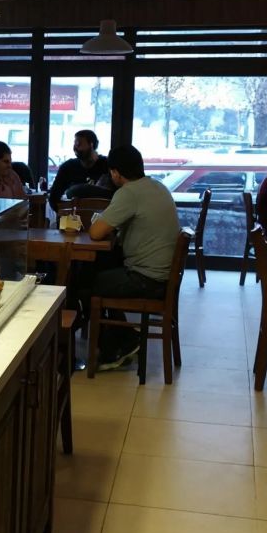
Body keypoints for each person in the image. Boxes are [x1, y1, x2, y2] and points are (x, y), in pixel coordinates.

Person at [84, 145, 182, 370]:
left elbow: (96, 232)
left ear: (115, 173)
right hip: (163, 277)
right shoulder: (157, 186)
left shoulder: (129, 193)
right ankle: (124, 338)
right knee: (102, 273)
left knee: (88, 282)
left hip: (146, 279)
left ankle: (113, 347)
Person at [49, 130, 112, 201]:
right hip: (74, 211)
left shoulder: (107, 165)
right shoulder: (68, 167)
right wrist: (63, 210)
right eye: (74, 144)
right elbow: (53, 197)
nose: (75, 148)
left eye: (78, 144)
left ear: (91, 145)